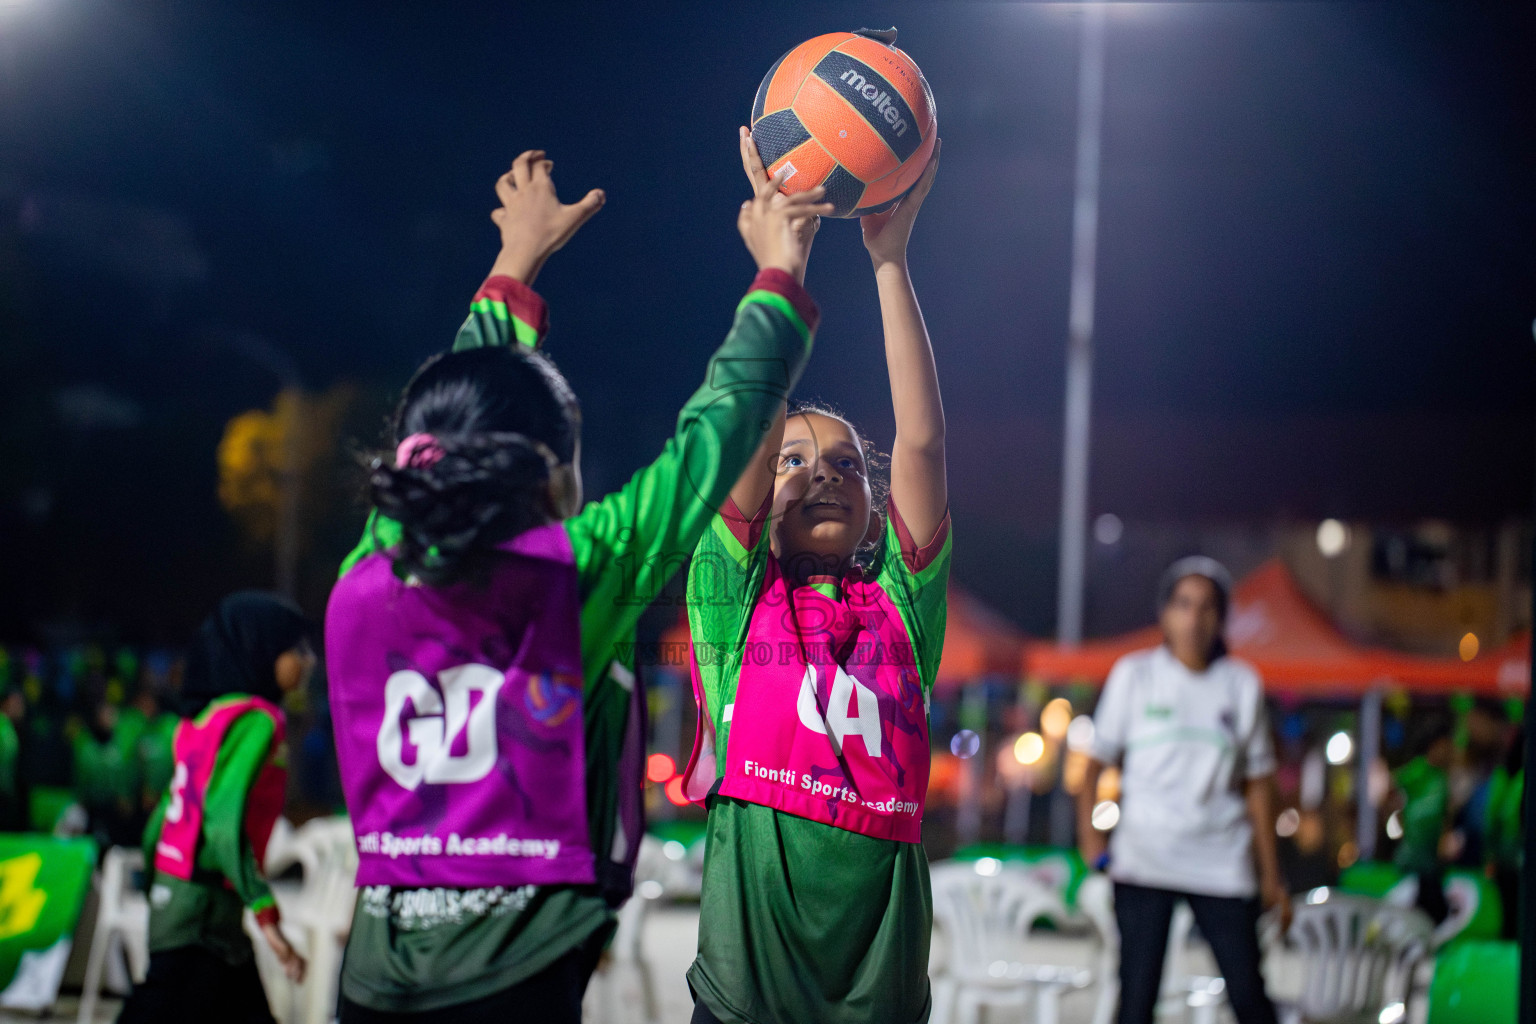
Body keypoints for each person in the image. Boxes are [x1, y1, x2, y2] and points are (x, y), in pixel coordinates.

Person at [324, 147, 830, 1023]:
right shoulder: (571, 574)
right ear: (555, 475)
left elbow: (456, 419)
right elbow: (716, 434)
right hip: (512, 972)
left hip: (376, 971)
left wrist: (513, 267)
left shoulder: (368, 569)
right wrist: (779, 272)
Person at [681, 133, 947, 1024]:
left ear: (874, 506)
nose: (823, 471)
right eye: (794, 460)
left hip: (880, 1003)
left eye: (844, 462)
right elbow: (748, 429)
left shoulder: (904, 612)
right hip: (744, 1001)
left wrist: (888, 262)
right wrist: (783, 266)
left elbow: (920, 444)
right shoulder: (737, 600)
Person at [1079, 556, 1288, 1024]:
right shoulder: (1135, 674)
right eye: (1184, 604)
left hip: (1222, 859)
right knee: (1136, 998)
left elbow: (1259, 786)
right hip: (1144, 858)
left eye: (1208, 607)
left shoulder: (1241, 684)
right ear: (1165, 614)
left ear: (1222, 618)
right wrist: (1091, 839)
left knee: (1250, 995)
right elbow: (1094, 766)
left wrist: (1271, 875)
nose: (1195, 618)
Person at [118, 591, 317, 1024]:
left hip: (185, 902)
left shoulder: (203, 718)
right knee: (158, 1005)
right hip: (203, 912)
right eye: (296, 649)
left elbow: (164, 817)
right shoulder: (259, 720)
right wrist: (265, 911)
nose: (309, 661)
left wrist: (158, 884)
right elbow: (223, 823)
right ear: (260, 650)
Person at [1389, 711, 1453, 925]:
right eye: (1446, 745)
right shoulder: (1418, 771)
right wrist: (1399, 824)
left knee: (1436, 916)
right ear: (1434, 745)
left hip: (1433, 864)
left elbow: (1444, 817)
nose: (1449, 751)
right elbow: (1391, 791)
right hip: (1412, 862)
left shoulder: (1442, 778)